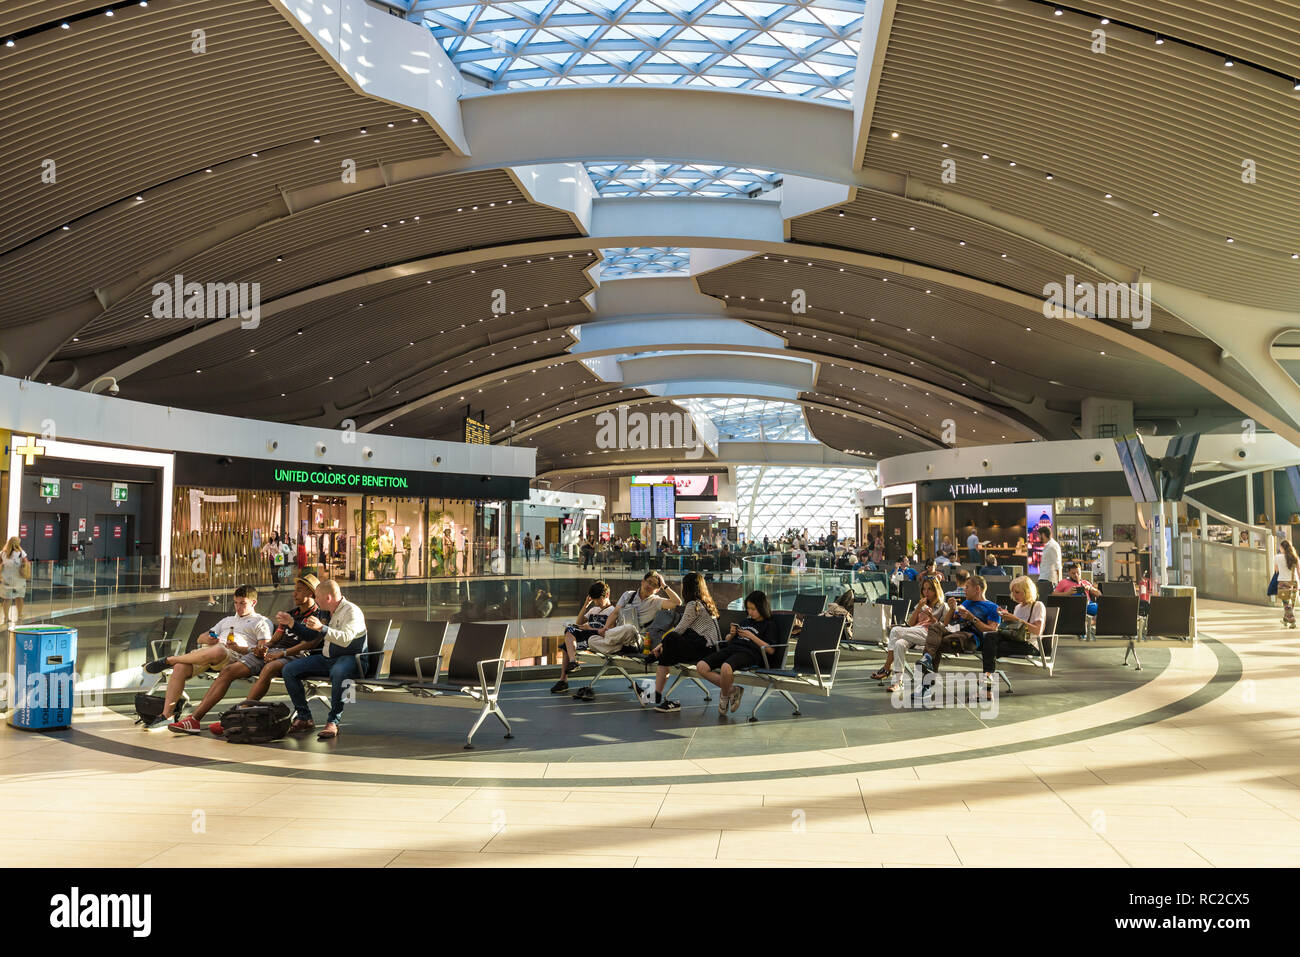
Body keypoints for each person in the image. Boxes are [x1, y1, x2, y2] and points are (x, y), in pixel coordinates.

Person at [168, 574, 328, 735]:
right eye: (295, 590)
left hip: (297, 655)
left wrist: (282, 653)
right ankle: (194, 719)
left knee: (269, 668)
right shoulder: (290, 613)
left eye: (299, 591)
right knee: (228, 671)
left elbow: (310, 643)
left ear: (311, 593)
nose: (294, 594)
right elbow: (274, 640)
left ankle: (237, 716)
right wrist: (263, 648)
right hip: (275, 652)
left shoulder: (320, 616)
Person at [140, 585, 273, 728]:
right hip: (208, 653)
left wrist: (239, 648)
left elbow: (263, 651)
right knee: (180, 667)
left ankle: (170, 659)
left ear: (253, 603)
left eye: (242, 603)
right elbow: (200, 638)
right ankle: (167, 715)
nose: (238, 607)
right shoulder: (227, 620)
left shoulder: (261, 622)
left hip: (232, 655)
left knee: (220, 650)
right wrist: (208, 639)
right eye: (235, 603)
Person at [280, 579, 367, 740]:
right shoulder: (325, 612)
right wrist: (292, 623)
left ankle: (333, 721)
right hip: (328, 657)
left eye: (317, 597)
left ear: (327, 598)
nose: (315, 600)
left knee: (338, 671)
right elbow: (310, 636)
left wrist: (322, 627)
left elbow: (346, 639)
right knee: (289, 670)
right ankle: (304, 717)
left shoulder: (351, 611)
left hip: (350, 659)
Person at [643, 572, 720, 712]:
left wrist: (660, 645)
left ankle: (656, 691)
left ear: (687, 588)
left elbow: (680, 629)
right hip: (707, 647)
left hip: (706, 649)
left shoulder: (693, 604)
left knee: (671, 639)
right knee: (667, 649)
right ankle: (657, 694)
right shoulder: (706, 604)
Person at [697, 590, 777, 716]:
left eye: (753, 609)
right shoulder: (745, 622)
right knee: (701, 666)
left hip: (750, 653)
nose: (750, 612)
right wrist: (732, 634)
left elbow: (771, 649)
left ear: (762, 608)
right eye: (748, 608)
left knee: (725, 668)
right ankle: (732, 690)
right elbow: (728, 640)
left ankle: (724, 696)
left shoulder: (769, 624)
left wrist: (751, 636)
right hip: (733, 648)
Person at [916, 574, 1001, 682]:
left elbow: (992, 631)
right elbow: (946, 623)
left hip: (971, 638)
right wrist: (952, 609)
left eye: (967, 587)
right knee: (935, 627)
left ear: (977, 589)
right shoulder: (966, 603)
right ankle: (927, 659)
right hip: (955, 631)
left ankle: (926, 682)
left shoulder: (993, 607)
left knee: (935, 643)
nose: (964, 590)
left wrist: (972, 618)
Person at [977, 576, 1046, 698]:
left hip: (1030, 645)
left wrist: (1016, 619)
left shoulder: (1038, 606)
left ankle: (987, 684)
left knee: (989, 648)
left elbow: (1037, 630)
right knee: (990, 636)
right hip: (1016, 640)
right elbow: (1013, 630)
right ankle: (987, 681)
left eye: (1017, 592)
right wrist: (1006, 619)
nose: (1014, 595)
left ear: (1027, 591)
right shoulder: (1018, 607)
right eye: (1013, 591)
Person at [876, 575, 946, 692]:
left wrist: (931, 617)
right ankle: (898, 682)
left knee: (895, 630)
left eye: (929, 589)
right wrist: (918, 607)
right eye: (924, 589)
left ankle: (887, 667)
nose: (926, 592)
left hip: (929, 635)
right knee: (899, 643)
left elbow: (944, 628)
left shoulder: (943, 606)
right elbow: (910, 624)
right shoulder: (921, 604)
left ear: (936, 590)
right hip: (915, 632)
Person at [590, 571, 681, 654]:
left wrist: (664, 585)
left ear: (657, 590)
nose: (650, 586)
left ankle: (610, 643)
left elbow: (678, 603)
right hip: (619, 635)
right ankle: (619, 648)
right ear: (643, 581)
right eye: (649, 582)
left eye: (654, 585)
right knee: (591, 640)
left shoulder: (657, 602)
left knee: (630, 628)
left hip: (637, 639)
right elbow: (615, 613)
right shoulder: (628, 595)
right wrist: (605, 629)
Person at [552, 581, 614, 694]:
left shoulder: (613, 611)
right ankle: (572, 662)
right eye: (594, 600)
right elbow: (579, 622)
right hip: (586, 635)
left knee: (566, 645)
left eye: (598, 599)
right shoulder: (593, 610)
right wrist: (586, 605)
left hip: (597, 639)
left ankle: (563, 680)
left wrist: (588, 628)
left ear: (607, 595)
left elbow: (607, 632)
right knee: (569, 630)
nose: (596, 602)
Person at [0, 536, 31, 629]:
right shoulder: (21, 553)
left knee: (7, 599)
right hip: (19, 579)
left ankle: (6, 617)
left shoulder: (2, 553)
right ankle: (20, 615)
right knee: (19, 598)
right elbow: (26, 564)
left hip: (6, 579)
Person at [1275, 539, 1298, 628]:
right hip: (1294, 582)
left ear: (1282, 548)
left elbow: (1276, 571)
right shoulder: (1295, 557)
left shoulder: (1277, 557)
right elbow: (1298, 571)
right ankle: (1285, 619)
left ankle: (1292, 621)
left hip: (1283, 582)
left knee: (1286, 604)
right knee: (1291, 605)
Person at [1038, 525, 1062, 592]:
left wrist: (1059, 581)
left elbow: (1058, 565)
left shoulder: (1052, 546)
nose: (1038, 537)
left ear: (1043, 534)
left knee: (1045, 600)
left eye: (1039, 535)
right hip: (1045, 578)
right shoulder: (1049, 545)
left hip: (1048, 579)